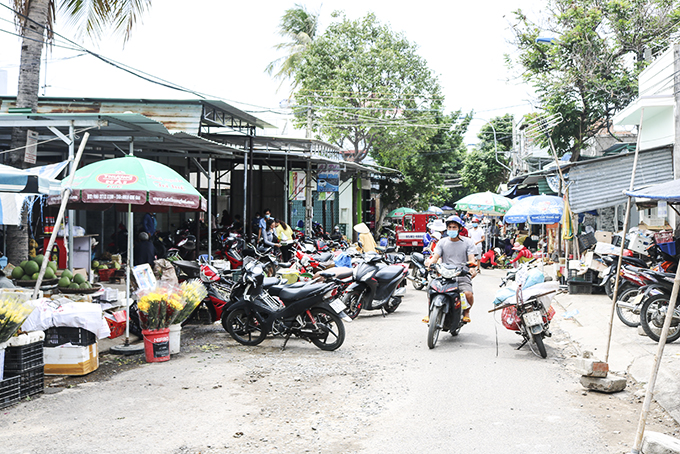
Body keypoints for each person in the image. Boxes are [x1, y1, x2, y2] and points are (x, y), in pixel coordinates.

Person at [425, 215, 477, 323]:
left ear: (460, 228)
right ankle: (430, 314)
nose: (451, 229)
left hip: (461, 274)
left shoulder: (468, 242)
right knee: (431, 290)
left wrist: (472, 268)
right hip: (444, 274)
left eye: (454, 227)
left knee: (468, 294)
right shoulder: (442, 242)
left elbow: (471, 258)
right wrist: (430, 263)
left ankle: (466, 312)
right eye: (449, 227)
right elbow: (435, 257)